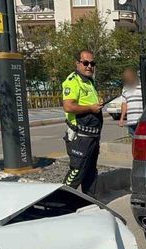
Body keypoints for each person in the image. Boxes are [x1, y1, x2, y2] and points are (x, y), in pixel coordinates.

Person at [61, 50, 104, 195]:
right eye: (85, 63)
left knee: (91, 171)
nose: (89, 66)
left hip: (92, 136)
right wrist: (91, 108)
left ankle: (89, 202)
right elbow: (68, 106)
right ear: (77, 63)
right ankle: (61, 200)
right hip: (80, 137)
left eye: (92, 63)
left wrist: (96, 104)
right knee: (77, 171)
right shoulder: (73, 81)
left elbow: (89, 103)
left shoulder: (89, 81)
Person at [118, 68, 143, 137]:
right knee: (134, 144)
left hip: (141, 121)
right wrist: (121, 119)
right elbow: (124, 104)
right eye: (126, 77)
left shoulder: (142, 86)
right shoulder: (125, 88)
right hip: (131, 121)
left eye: (129, 77)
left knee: (142, 143)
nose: (128, 79)